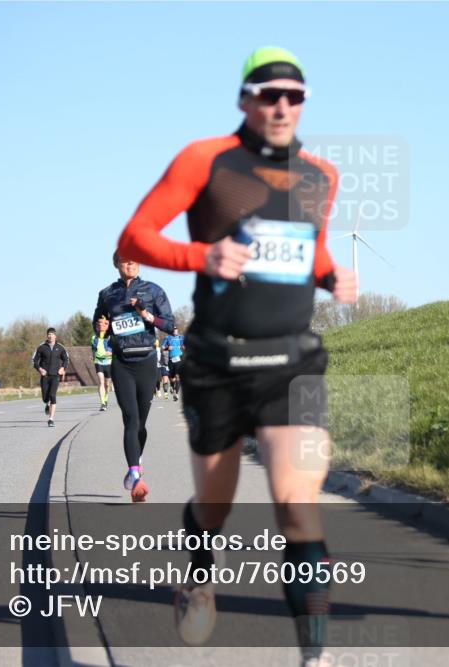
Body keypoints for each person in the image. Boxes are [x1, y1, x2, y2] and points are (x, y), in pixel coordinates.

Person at [116, 46, 357, 666]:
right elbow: (135, 236)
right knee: (215, 506)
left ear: (304, 105)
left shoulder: (320, 176)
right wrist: (206, 256)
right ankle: (198, 571)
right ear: (245, 100)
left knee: (297, 504)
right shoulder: (206, 160)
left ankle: (315, 655)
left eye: (294, 96)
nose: (281, 106)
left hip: (293, 361)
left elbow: (310, 251)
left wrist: (334, 278)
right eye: (269, 94)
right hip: (218, 364)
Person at [92, 252, 176, 502]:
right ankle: (135, 476)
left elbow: (171, 325)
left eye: (135, 261)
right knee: (130, 419)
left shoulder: (153, 291)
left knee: (140, 422)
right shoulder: (107, 294)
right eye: (125, 261)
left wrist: (147, 315)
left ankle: (136, 463)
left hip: (147, 360)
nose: (130, 264)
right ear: (117, 264)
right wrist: (101, 328)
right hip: (122, 362)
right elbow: (99, 327)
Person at [32, 327, 69, 427]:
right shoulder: (41, 347)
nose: (50, 335)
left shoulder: (60, 347)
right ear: (47, 335)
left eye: (52, 334)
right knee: (45, 398)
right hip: (45, 376)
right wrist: (40, 369)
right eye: (49, 334)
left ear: (55, 336)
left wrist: (63, 368)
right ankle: (47, 404)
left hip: (55, 376)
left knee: (53, 395)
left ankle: (51, 419)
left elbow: (66, 359)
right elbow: (34, 361)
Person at [91, 315, 114, 411]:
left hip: (108, 362)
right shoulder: (93, 338)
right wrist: (93, 355)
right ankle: (102, 403)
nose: (101, 326)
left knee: (107, 384)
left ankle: (106, 399)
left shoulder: (110, 337)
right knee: (101, 381)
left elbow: (115, 349)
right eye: (99, 325)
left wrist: (111, 352)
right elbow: (93, 349)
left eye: (103, 324)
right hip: (98, 361)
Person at [163, 326, 186, 401]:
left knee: (178, 376)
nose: (175, 331)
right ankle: (172, 387)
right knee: (172, 378)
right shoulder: (167, 338)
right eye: (173, 330)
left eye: (176, 329)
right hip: (171, 360)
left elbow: (185, 345)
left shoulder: (181, 337)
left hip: (179, 358)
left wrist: (184, 347)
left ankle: (176, 394)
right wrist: (167, 348)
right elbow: (162, 347)